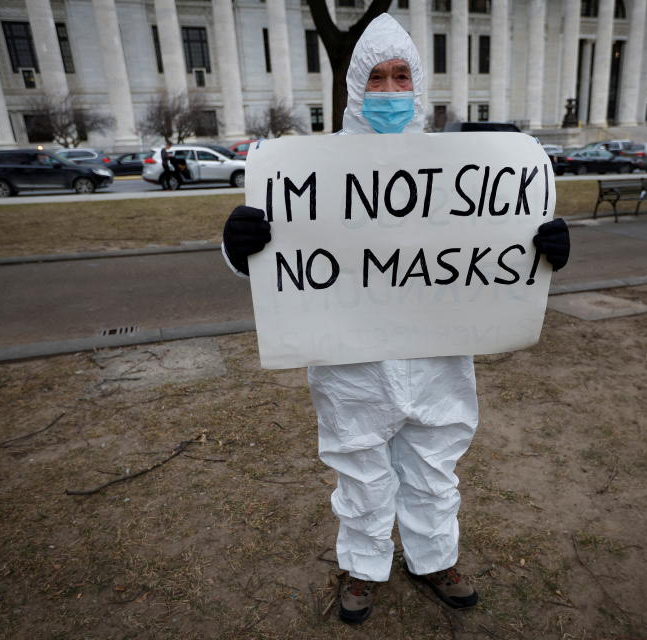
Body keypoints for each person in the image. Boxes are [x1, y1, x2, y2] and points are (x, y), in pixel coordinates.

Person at [221, 14, 570, 625]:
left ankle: (434, 559)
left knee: (435, 469)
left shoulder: (464, 168)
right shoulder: (311, 170)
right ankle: (362, 566)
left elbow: (488, 249)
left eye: (401, 75)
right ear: (357, 87)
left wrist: (542, 250)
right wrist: (242, 245)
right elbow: (288, 264)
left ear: (418, 84)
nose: (389, 89)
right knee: (360, 471)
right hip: (351, 362)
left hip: (438, 358)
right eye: (377, 77)